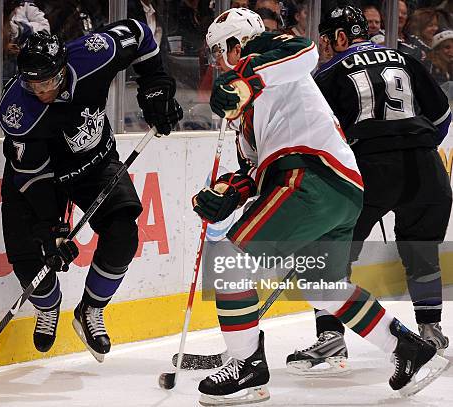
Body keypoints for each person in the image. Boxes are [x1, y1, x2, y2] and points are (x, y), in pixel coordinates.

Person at [194, 7, 448, 405]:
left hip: (309, 178)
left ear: (235, 43)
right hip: (338, 190)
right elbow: (254, 168)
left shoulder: (270, 49)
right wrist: (226, 193)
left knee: (229, 264)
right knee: (322, 286)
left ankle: (247, 367)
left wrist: (244, 81)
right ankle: (408, 350)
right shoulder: (248, 110)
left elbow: (306, 52)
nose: (218, 63)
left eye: (219, 52)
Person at [0, 22, 182, 362]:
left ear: (63, 69)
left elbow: (139, 33)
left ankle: (90, 309)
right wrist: (53, 229)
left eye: (48, 82)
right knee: (29, 255)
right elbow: (34, 177)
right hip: (38, 176)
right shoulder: (18, 112)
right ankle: (48, 307)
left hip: (92, 161)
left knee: (123, 232)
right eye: (32, 83)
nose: (41, 91)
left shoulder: (95, 54)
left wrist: (155, 86)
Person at [291, 6, 452, 373]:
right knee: (421, 252)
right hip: (427, 168)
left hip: (370, 169)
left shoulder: (327, 74)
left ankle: (331, 336)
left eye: (328, 39)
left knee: (329, 256)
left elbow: (319, 139)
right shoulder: (407, 58)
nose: (324, 46)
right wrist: (414, 146)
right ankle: (430, 331)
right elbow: (442, 117)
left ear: (342, 38)